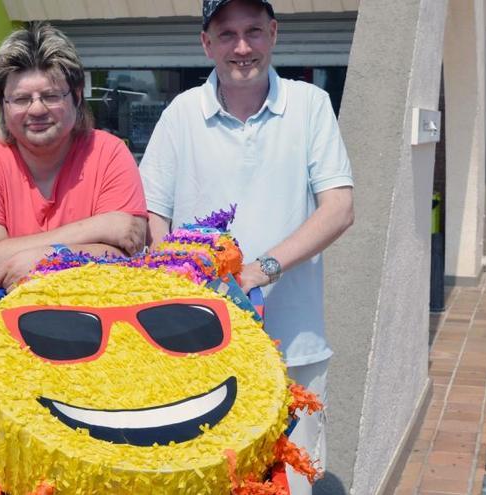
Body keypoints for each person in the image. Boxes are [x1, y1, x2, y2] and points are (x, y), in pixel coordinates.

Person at [0, 22, 147, 494]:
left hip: (74, 391)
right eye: (20, 99)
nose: (36, 109)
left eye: (51, 95)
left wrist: (24, 254)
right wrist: (96, 229)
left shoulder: (109, 154)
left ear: (77, 94)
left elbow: (126, 252)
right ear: (3, 104)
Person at [139, 1, 354, 493]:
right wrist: (181, 272)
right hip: (199, 349)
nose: (242, 47)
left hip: (292, 346)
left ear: (273, 33)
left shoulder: (310, 105)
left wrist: (258, 271)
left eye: (253, 31)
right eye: (227, 34)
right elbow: (153, 211)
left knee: (292, 482)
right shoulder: (180, 114)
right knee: (205, 478)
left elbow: (339, 208)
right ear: (206, 43)